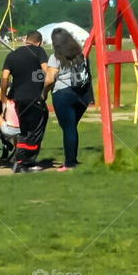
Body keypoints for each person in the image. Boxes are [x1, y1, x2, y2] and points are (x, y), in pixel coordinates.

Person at [0, 30, 50, 173]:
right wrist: (44, 89)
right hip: (35, 97)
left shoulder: (12, 55)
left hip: (18, 99)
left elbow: (5, 77)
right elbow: (46, 71)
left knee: (24, 131)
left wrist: (3, 94)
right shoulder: (39, 52)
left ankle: (20, 161)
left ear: (26, 39)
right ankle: (26, 163)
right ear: (39, 42)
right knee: (35, 131)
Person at [45, 27, 93, 171]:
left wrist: (43, 93)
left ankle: (69, 163)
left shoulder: (55, 58)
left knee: (68, 128)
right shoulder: (80, 54)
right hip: (82, 95)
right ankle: (73, 159)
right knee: (72, 127)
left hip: (63, 95)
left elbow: (49, 80)